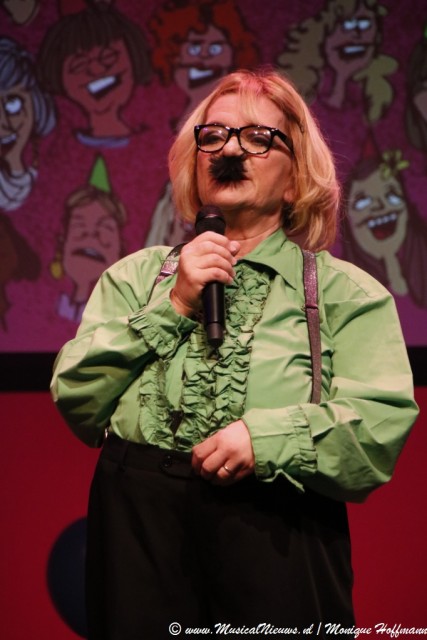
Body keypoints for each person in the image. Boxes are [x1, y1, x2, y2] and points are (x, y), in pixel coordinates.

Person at [51, 68, 419, 639]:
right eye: (214, 135)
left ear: (296, 177)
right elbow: (77, 397)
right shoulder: (136, 278)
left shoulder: (345, 293)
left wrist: (265, 438)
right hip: (140, 533)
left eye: (258, 137)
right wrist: (175, 303)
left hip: (275, 529)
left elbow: (378, 427)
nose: (230, 150)